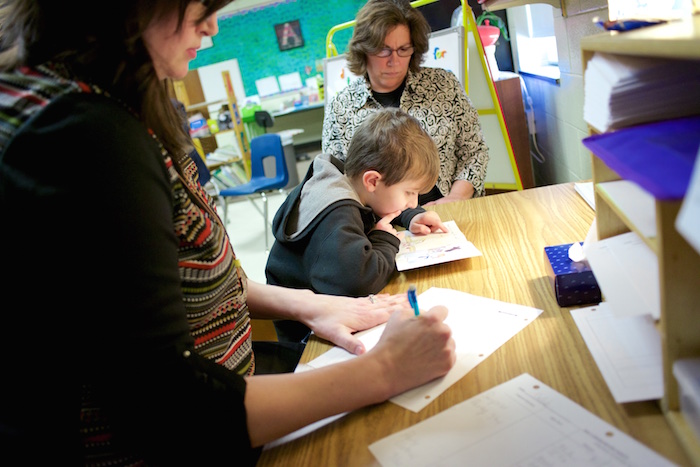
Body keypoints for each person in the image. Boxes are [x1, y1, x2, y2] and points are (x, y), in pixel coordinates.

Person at [0, 1, 456, 465]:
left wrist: (311, 304)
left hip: (237, 382)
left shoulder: (104, 103)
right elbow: (165, 406)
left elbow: (190, 274)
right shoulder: (83, 137)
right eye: (199, 6)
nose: (214, 25)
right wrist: (382, 370)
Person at [266, 107, 448, 342]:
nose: (413, 201)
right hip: (307, 339)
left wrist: (410, 216)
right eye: (410, 192)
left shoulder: (347, 180)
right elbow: (358, 282)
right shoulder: (337, 213)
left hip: (327, 310)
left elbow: (375, 205)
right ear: (372, 180)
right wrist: (386, 240)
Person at [322, 0, 490, 206]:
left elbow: (474, 151)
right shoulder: (341, 108)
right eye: (384, 50)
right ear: (364, 50)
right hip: (381, 226)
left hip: (450, 210)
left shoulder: (442, 85)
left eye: (403, 49)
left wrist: (455, 198)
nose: (394, 61)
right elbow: (334, 182)